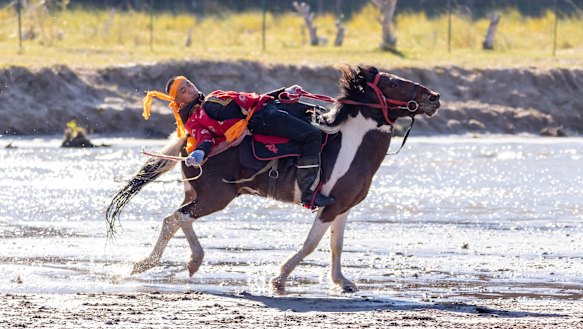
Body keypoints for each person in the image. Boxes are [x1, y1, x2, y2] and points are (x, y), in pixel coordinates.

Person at [142, 76, 334, 209]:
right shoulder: (195, 120)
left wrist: (282, 92)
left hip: (268, 107)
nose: (190, 90)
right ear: (179, 101)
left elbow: (252, 99)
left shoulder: (212, 97)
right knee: (312, 135)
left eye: (189, 84)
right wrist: (200, 152)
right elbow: (205, 137)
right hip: (262, 119)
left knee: (319, 115)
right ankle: (309, 195)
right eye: (184, 90)